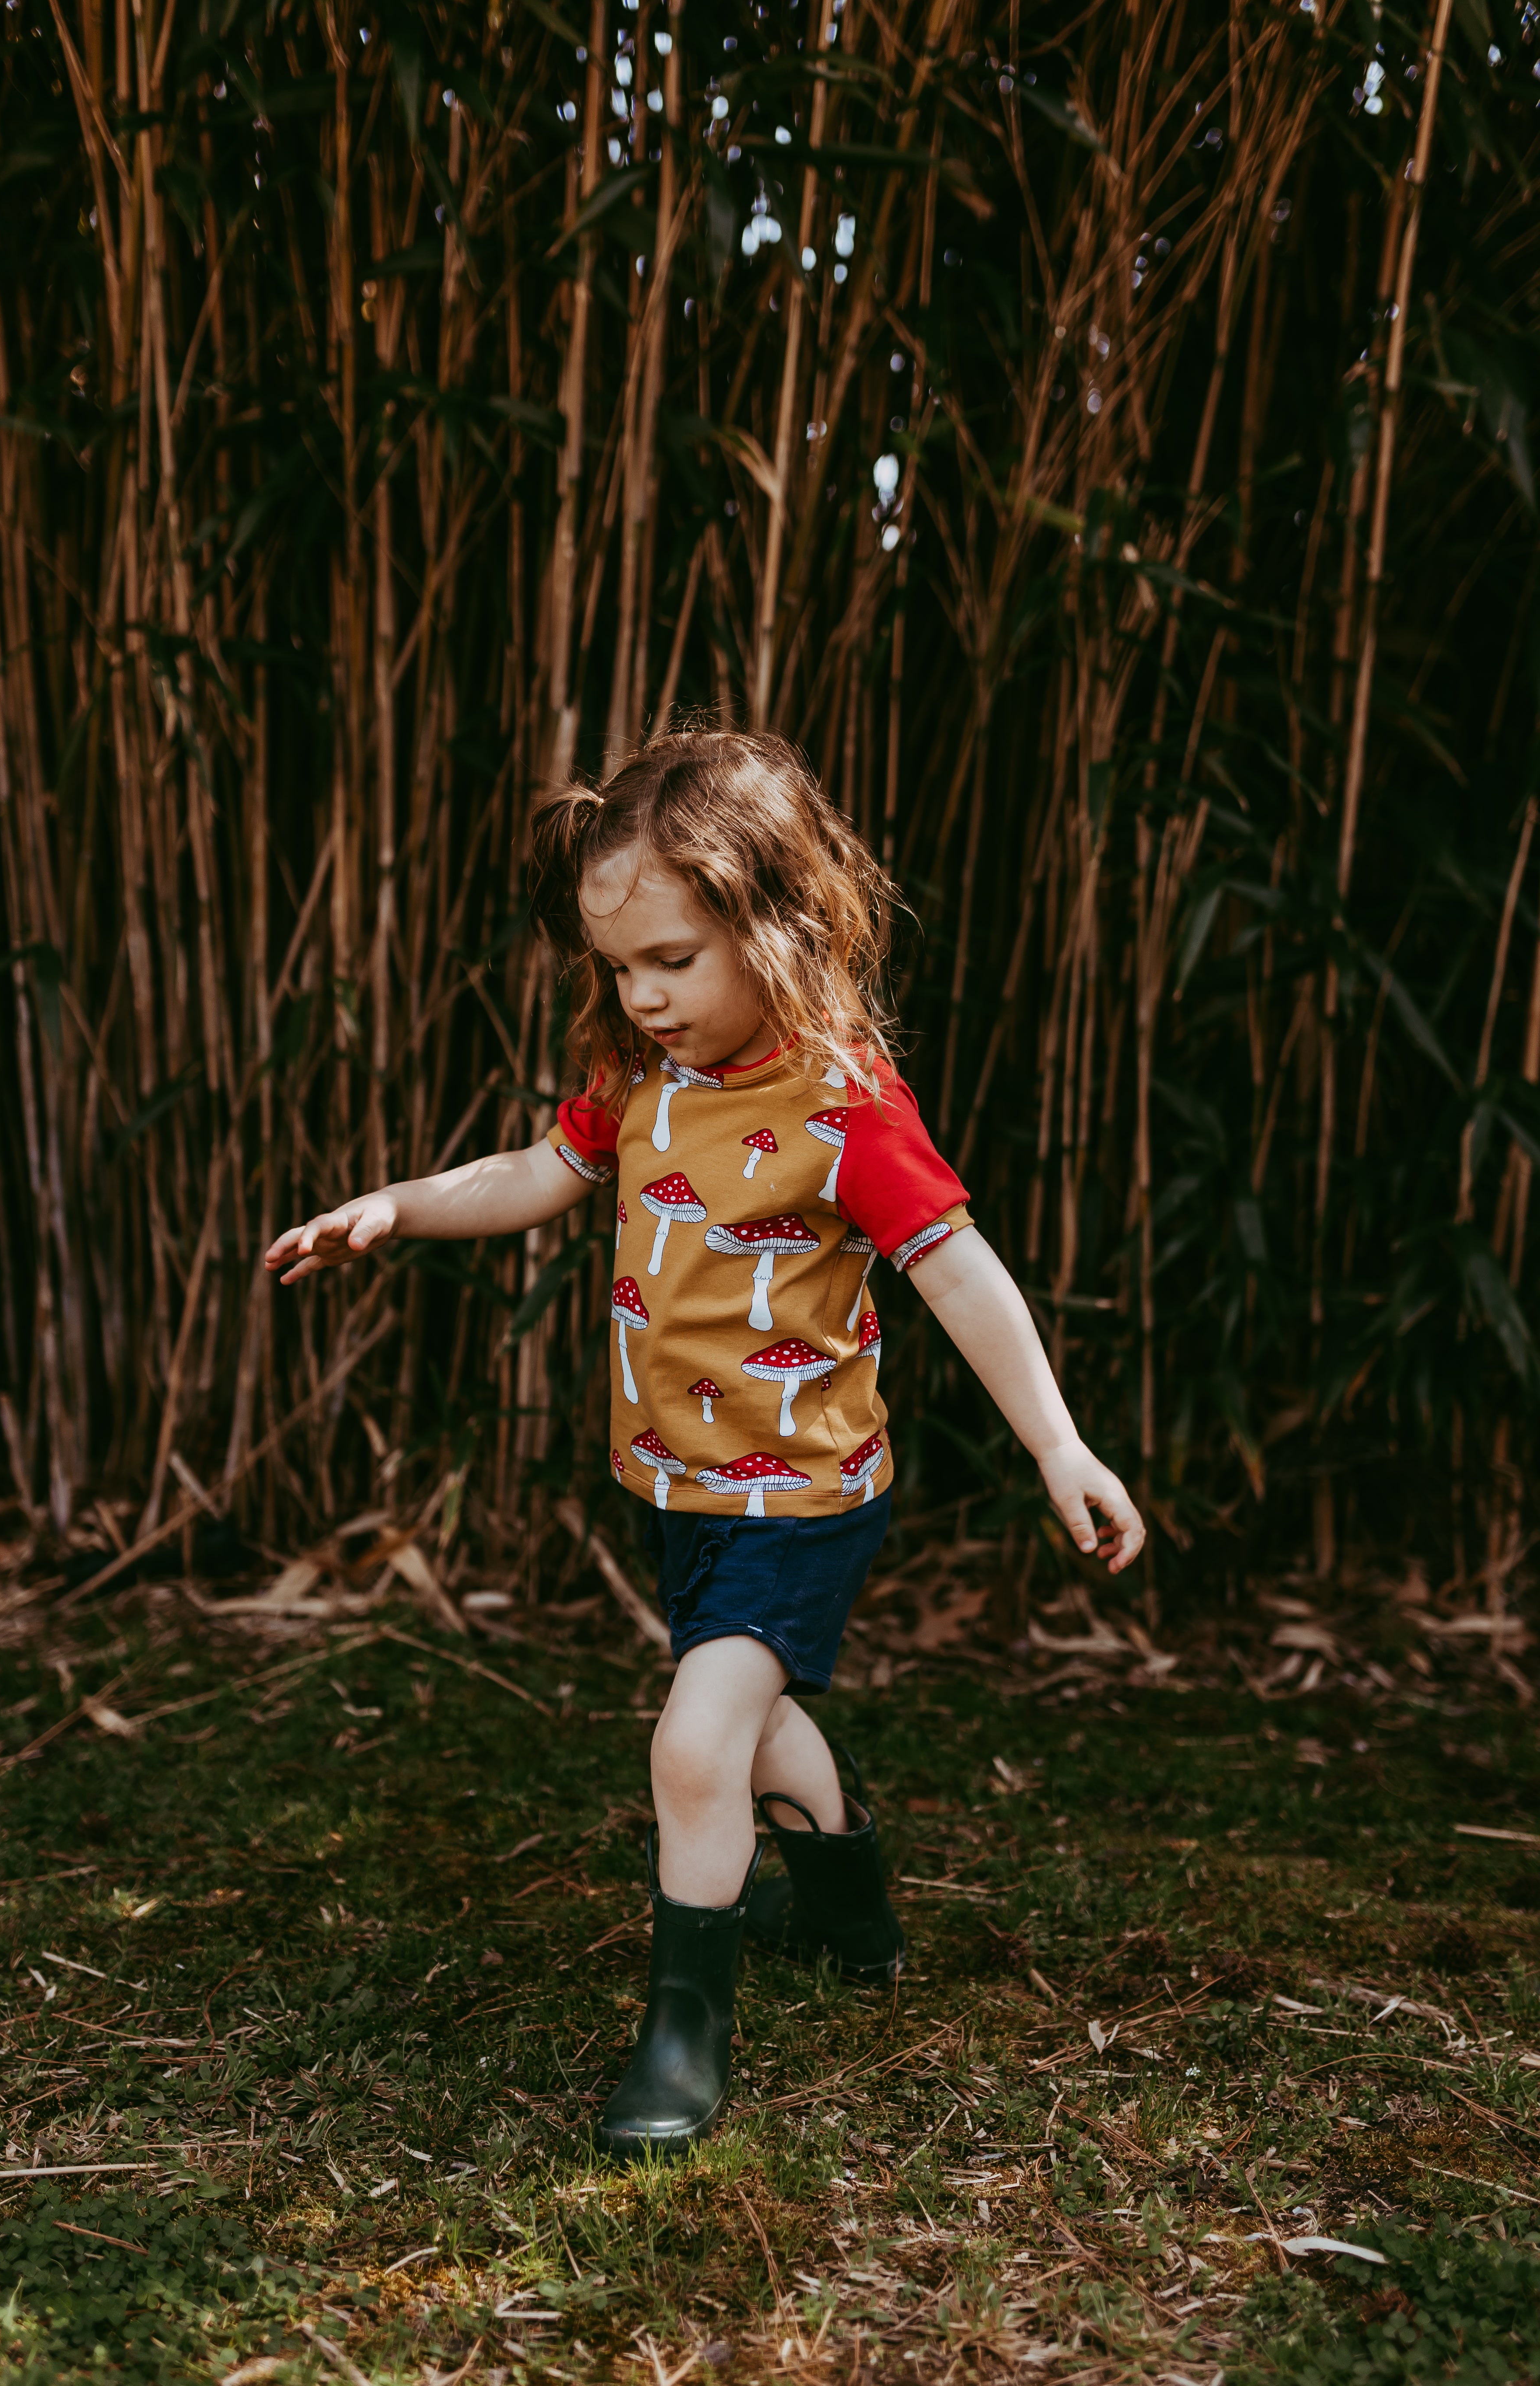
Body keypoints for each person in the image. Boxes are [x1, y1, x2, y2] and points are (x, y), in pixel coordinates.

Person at [265, 729, 1144, 2160]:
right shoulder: (637, 1080)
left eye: (673, 957)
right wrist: (396, 1207)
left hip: (799, 1497)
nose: (644, 994)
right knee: (753, 1719)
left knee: (694, 1742)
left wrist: (1059, 1447)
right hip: (677, 1483)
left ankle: (685, 2031)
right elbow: (532, 1175)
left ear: (776, 924)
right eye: (620, 967)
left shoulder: (843, 1108)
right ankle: (851, 1906)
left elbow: (960, 1272)